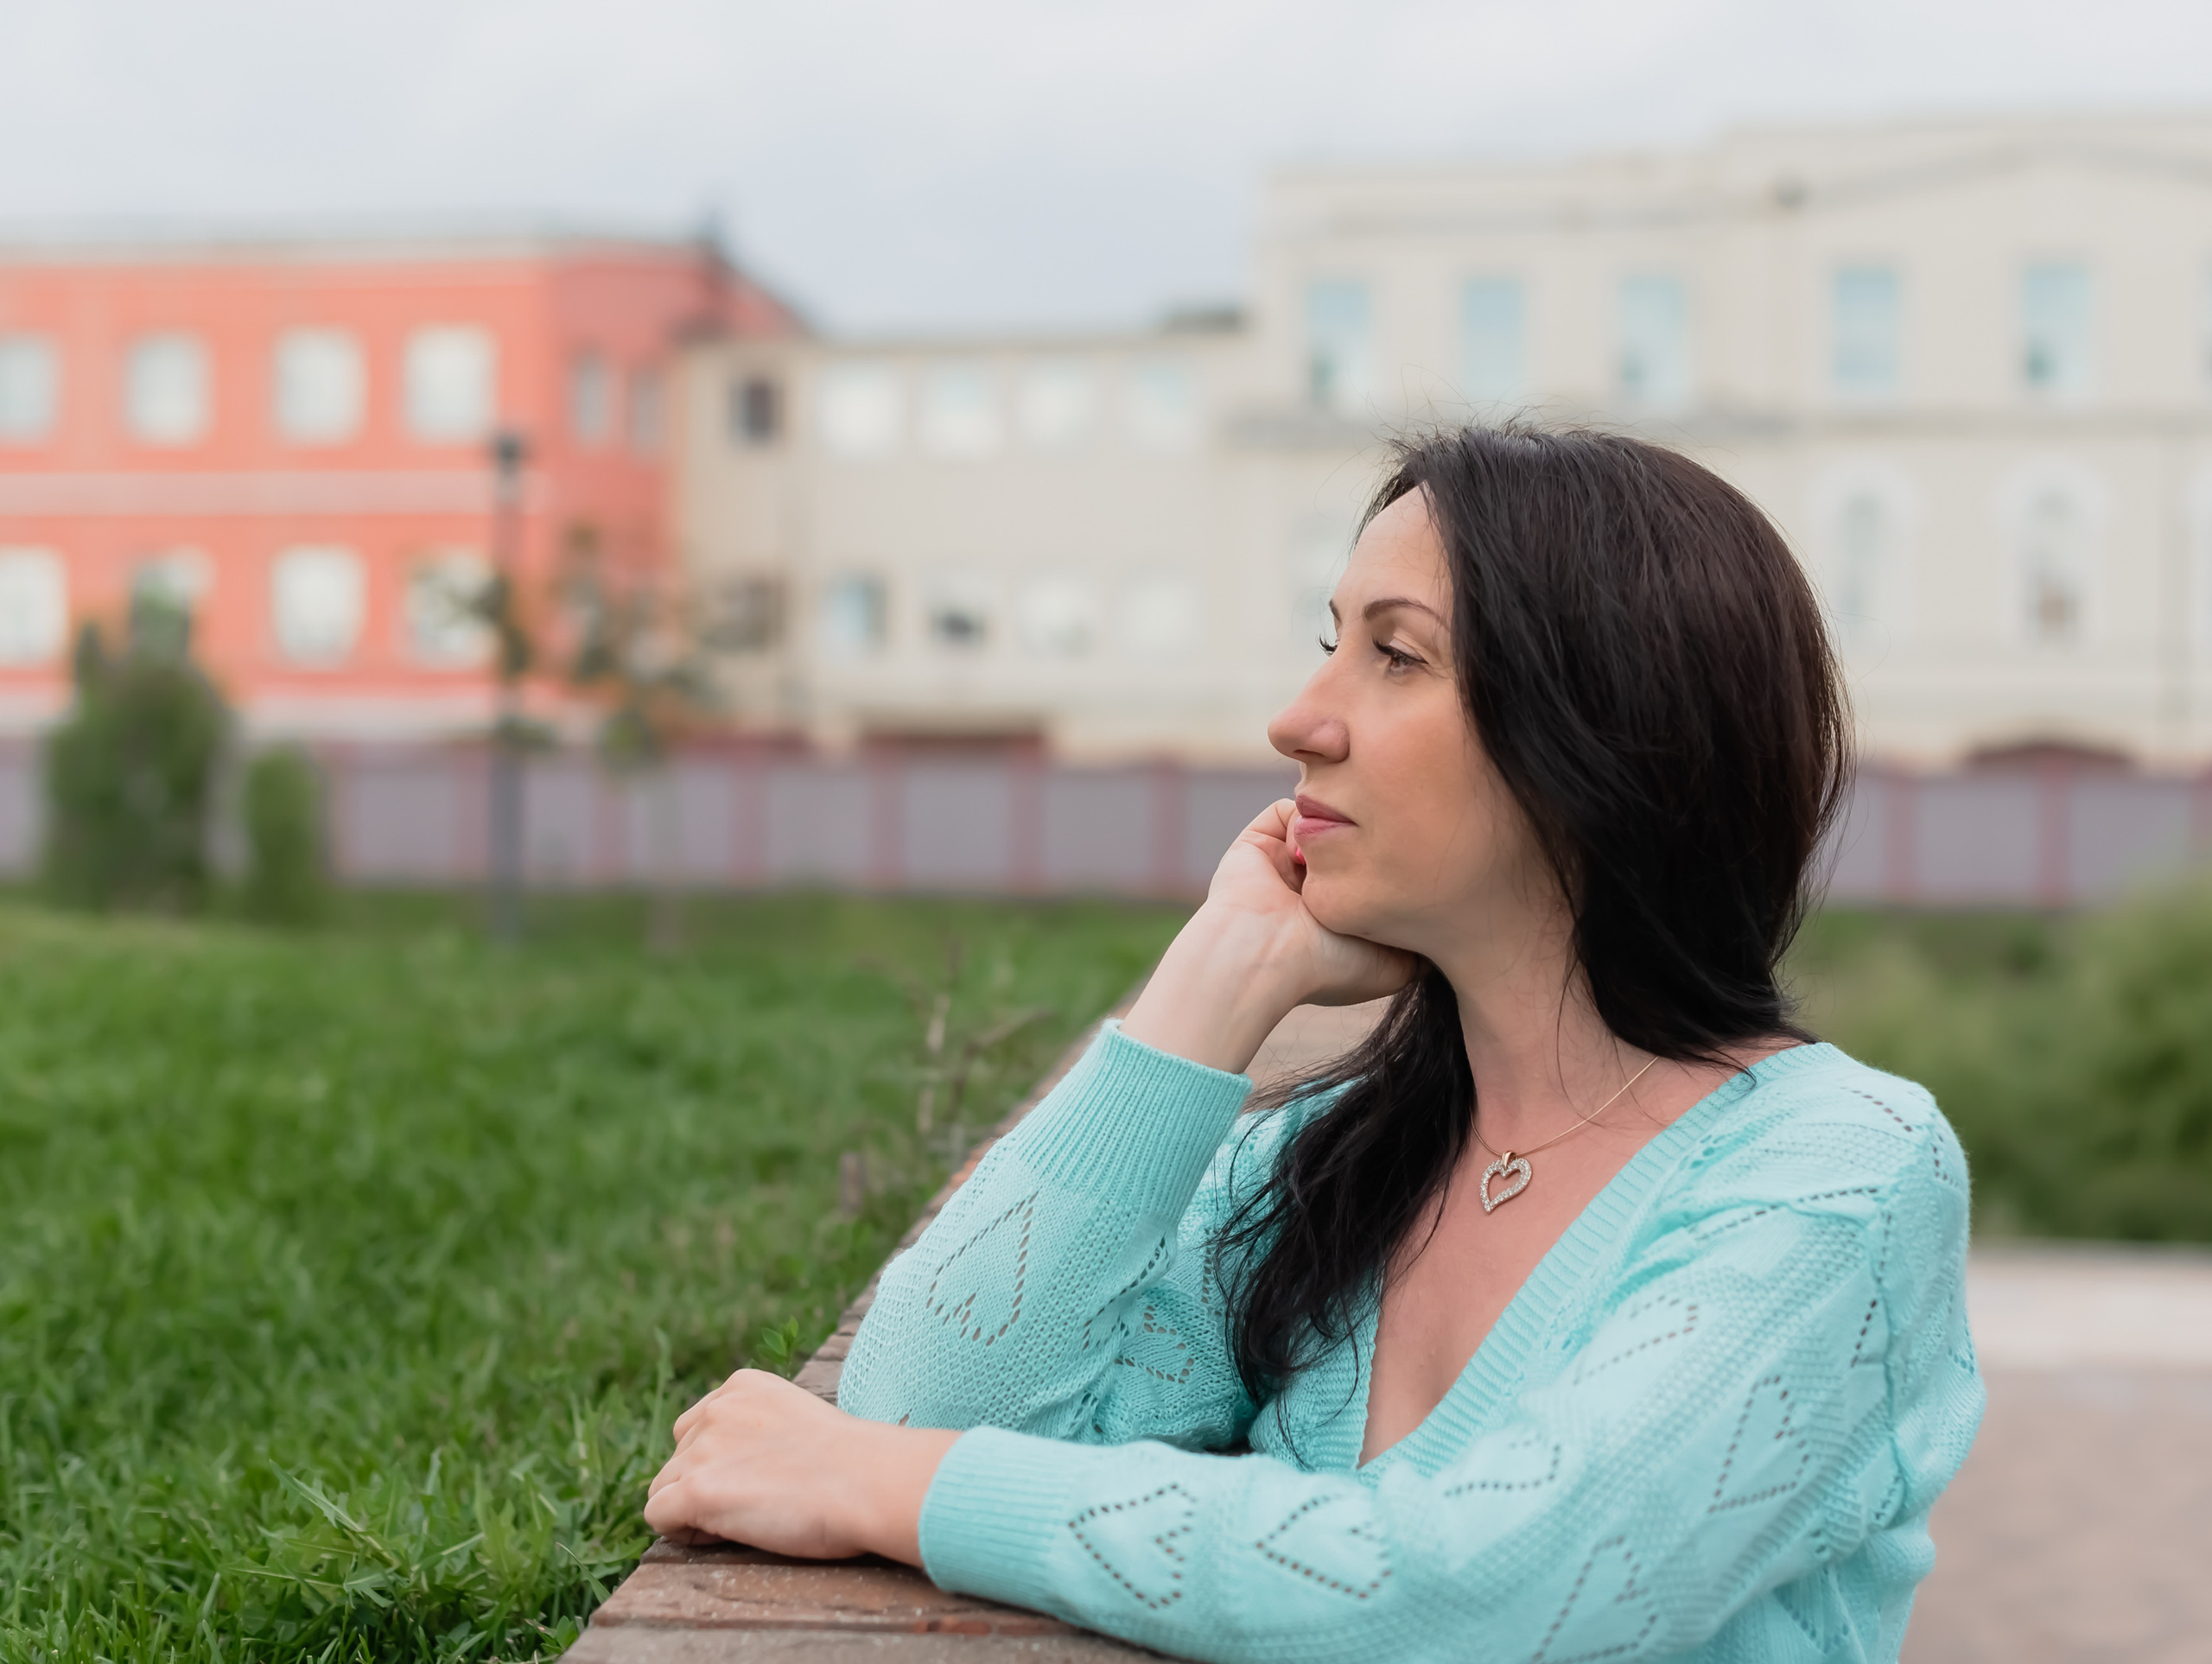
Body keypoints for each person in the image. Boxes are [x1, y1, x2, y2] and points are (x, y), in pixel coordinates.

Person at [645, 424, 1986, 1662]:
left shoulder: (1841, 1180)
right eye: (1330, 639)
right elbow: (920, 1404)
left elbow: (1488, 1588)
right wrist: (1217, 981)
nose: (1299, 719)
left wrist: (899, 1488)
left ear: (1602, 736)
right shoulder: (1325, 1165)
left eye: (1394, 655)